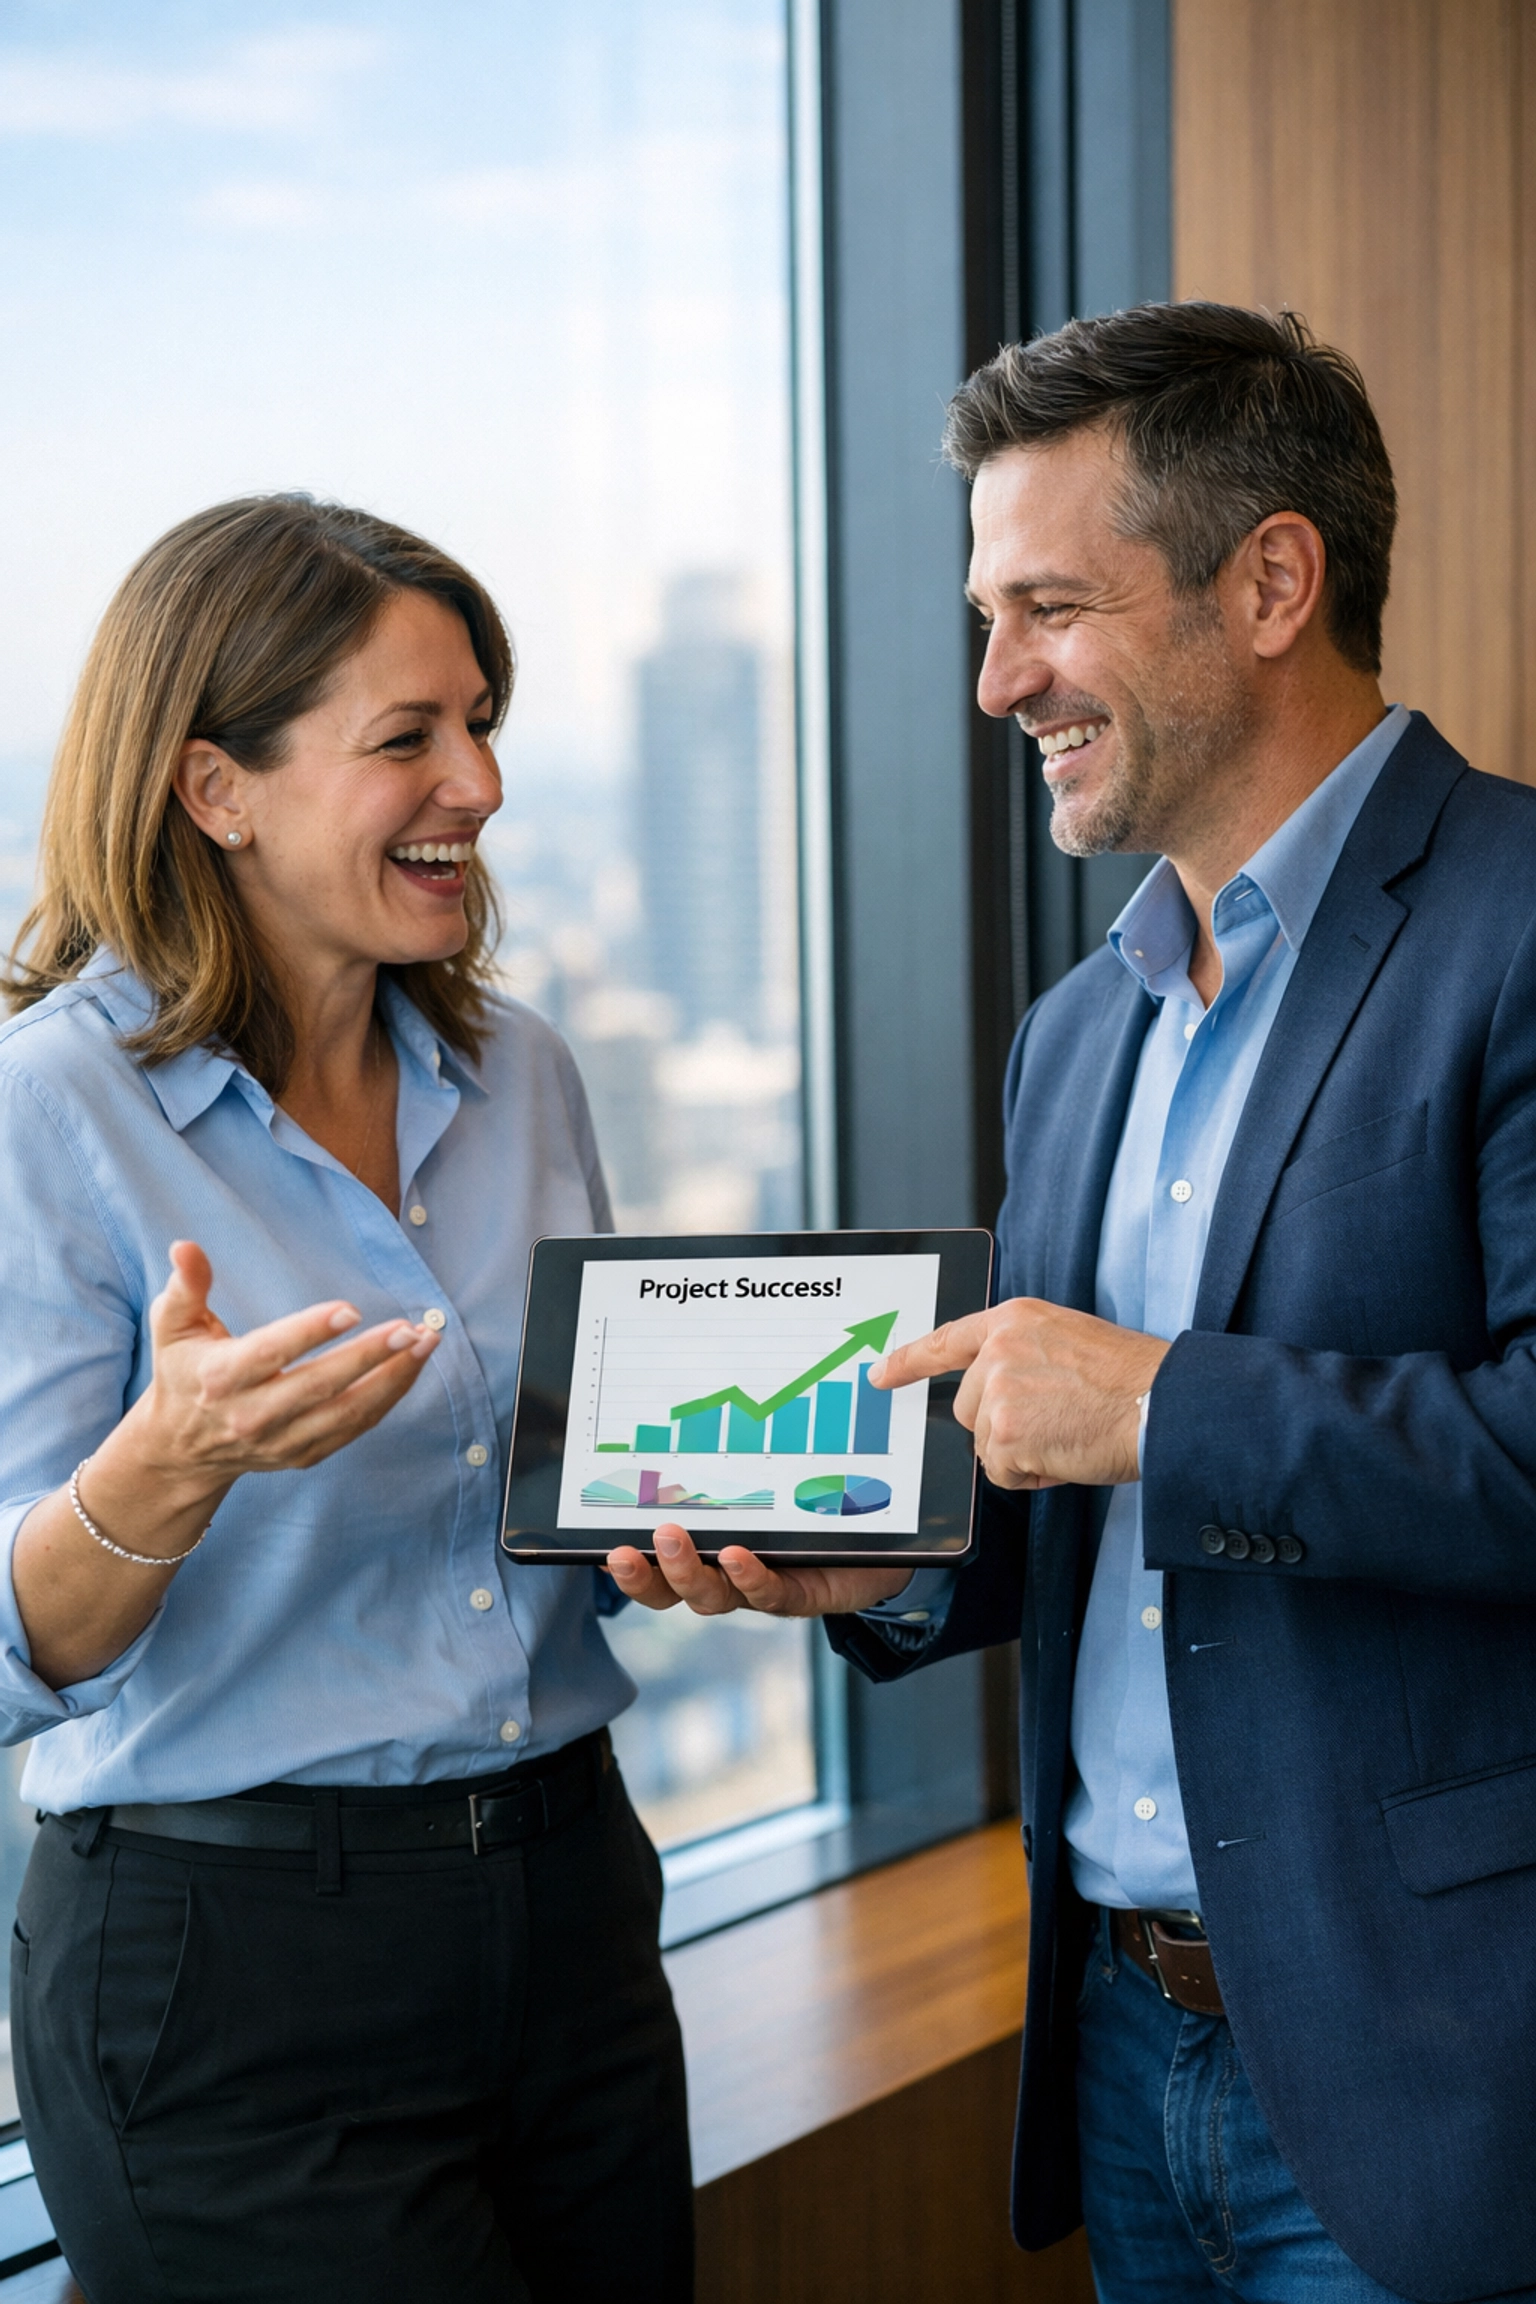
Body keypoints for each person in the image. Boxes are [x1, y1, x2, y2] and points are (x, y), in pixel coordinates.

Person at [610, 303, 1536, 2303]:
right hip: (1125, 2050)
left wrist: (1150, 1409)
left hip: (1443, 2067)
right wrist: (897, 1572)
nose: (995, 679)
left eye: (1050, 607)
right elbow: (1089, 1494)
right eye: (984, 611)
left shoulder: (1520, 929)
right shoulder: (1077, 1033)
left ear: (1273, 580)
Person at [0, 495, 691, 2304]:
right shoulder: (46, 1115)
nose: (478, 781)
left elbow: (565, 1480)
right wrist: (165, 1471)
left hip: (573, 1909)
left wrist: (742, 1501)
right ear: (216, 789)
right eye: (410, 739)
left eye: (483, 725)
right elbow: (13, 1644)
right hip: (231, 1971)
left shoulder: (518, 1068)